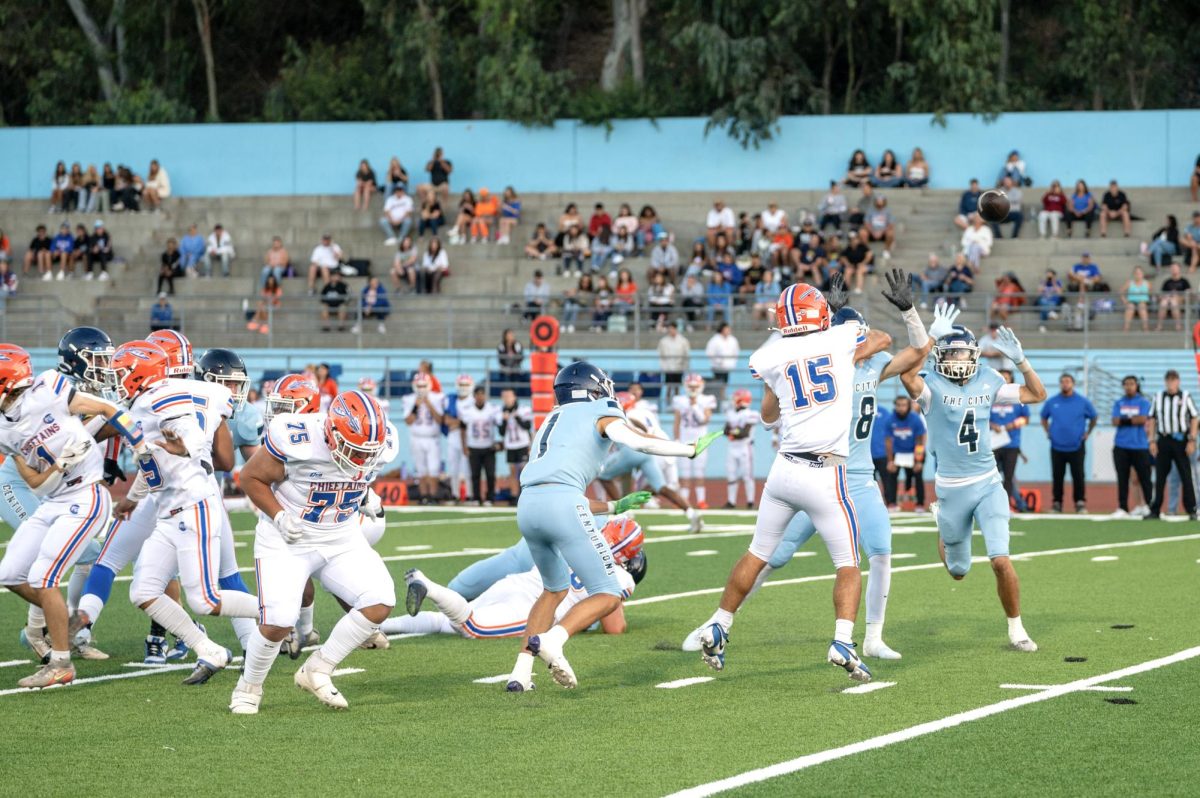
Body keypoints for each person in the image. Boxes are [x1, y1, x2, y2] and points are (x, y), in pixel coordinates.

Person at [690, 277, 923, 678]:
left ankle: (719, 622)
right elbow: (882, 338)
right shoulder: (839, 339)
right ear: (822, 314)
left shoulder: (773, 354)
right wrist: (842, 329)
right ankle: (843, 641)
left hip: (783, 470)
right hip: (825, 471)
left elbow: (767, 416)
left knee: (757, 553)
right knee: (848, 563)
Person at [503, 362, 717, 691]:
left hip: (528, 506)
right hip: (563, 504)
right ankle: (555, 640)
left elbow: (554, 486)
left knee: (553, 590)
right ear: (594, 388)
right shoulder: (598, 410)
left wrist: (614, 506)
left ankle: (519, 672)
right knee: (608, 593)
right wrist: (687, 450)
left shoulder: (551, 420)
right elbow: (638, 441)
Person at [230, 390, 398, 714]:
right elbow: (249, 477)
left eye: (368, 453)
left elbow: (350, 480)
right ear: (331, 434)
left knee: (380, 599)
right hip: (288, 538)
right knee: (278, 620)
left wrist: (364, 495)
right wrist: (278, 516)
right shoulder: (299, 439)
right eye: (354, 450)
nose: (360, 460)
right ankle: (248, 686)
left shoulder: (375, 449)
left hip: (340, 535)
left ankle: (318, 668)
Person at [107, 341, 261, 685]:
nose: (116, 380)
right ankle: (210, 650)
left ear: (138, 374)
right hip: (168, 511)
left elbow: (185, 425)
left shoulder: (155, 397)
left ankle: (280, 611)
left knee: (205, 600)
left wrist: (187, 445)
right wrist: (132, 498)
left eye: (120, 373)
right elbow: (152, 461)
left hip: (193, 506)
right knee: (143, 591)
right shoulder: (146, 401)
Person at [898, 320, 1047, 652]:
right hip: (951, 487)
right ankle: (944, 525)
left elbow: (1037, 394)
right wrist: (929, 336)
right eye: (950, 353)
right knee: (958, 571)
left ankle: (1017, 628)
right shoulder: (930, 383)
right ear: (939, 356)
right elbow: (906, 376)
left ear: (975, 355)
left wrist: (1021, 361)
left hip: (987, 482)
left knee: (1000, 559)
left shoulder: (989, 379)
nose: (958, 359)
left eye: (963, 352)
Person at [396, 518, 643, 639]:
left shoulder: (576, 540)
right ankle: (427, 585)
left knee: (444, 622)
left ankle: (374, 627)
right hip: (533, 608)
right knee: (472, 627)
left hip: (515, 583)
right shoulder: (621, 577)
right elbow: (615, 629)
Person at [1145, 369, 1199, 520]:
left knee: (1186, 475)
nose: (1171, 383)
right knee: (1160, 476)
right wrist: (1152, 440)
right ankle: (1155, 510)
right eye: (1168, 380)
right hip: (1164, 439)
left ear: (1178, 381)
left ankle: (1191, 509)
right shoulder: (1158, 397)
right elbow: (1152, 419)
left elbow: (1195, 418)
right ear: (1165, 381)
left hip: (1181, 440)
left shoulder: (1186, 396)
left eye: (1174, 380)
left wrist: (1192, 439)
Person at [1040, 373, 1097, 513]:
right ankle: (1057, 503)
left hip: (1077, 445)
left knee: (1078, 475)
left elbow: (1094, 417)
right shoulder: (1052, 401)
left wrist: (1087, 432)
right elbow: (1043, 417)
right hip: (1057, 445)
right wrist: (1048, 432)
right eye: (1063, 382)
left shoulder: (1082, 402)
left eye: (1068, 381)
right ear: (1060, 384)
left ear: (1073, 384)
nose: (1065, 384)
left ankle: (1080, 503)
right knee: (1057, 475)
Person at [1111, 375, 1153, 518]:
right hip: (1121, 445)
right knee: (1123, 478)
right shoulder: (1119, 402)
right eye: (1126, 384)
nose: (1129, 386)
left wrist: (1125, 420)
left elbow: (1142, 419)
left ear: (1137, 386)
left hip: (1139, 445)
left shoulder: (1143, 402)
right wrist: (1132, 420)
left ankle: (1149, 505)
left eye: (1132, 384)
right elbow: (1115, 421)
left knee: (1145, 477)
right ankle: (1123, 507)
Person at [672, 374, 717, 508]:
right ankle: (684, 502)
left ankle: (701, 500)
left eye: (695, 386)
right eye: (690, 386)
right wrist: (676, 438)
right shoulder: (679, 400)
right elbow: (677, 422)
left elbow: (705, 420)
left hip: (700, 441)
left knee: (699, 472)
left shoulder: (707, 399)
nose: (692, 389)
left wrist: (695, 406)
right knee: (684, 473)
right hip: (685, 440)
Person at [990, 369, 1030, 512]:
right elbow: (979, 416)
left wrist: (1013, 425)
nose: (1004, 380)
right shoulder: (990, 396)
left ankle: (1004, 505)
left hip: (1011, 443)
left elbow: (1026, 419)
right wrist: (991, 425)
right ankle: (989, 504)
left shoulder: (1018, 398)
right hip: (992, 443)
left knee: (1008, 476)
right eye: (1002, 377)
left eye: (1007, 377)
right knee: (990, 475)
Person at [404, 373, 445, 506]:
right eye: (419, 386)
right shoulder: (409, 399)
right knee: (420, 469)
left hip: (432, 438)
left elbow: (440, 419)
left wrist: (428, 404)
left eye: (423, 385)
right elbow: (408, 421)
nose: (421, 388)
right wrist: (416, 406)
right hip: (417, 437)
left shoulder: (437, 398)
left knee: (433, 469)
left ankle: (433, 496)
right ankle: (424, 496)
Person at [883, 395, 926, 511]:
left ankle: (920, 504)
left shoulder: (915, 419)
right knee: (891, 476)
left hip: (913, 452)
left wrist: (918, 460)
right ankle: (892, 503)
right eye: (898, 405)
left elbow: (920, 441)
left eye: (904, 405)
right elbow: (888, 442)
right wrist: (890, 461)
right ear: (895, 406)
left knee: (918, 477)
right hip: (897, 452)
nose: (901, 408)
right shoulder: (890, 420)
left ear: (908, 406)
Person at [459, 386, 501, 505]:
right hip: (474, 446)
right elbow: (462, 429)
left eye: (482, 394)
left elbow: (500, 425)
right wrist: (464, 446)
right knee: (475, 475)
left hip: (489, 446)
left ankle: (490, 498)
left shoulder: (492, 409)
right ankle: (476, 497)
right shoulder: (468, 411)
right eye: (478, 394)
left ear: (485, 396)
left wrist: (498, 443)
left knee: (490, 474)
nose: (480, 397)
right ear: (474, 396)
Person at [722, 389, 758, 508]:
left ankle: (750, 502)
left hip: (745, 448)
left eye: (736, 398)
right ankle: (731, 502)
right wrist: (733, 432)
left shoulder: (751, 414)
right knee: (731, 475)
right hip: (732, 447)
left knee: (747, 476)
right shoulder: (731, 413)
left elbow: (744, 433)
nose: (734, 401)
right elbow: (725, 431)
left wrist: (732, 432)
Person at [441, 374, 475, 502]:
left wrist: (457, 423)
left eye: (466, 385)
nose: (463, 387)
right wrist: (459, 422)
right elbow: (446, 420)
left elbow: (468, 421)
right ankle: (454, 494)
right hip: (453, 438)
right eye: (461, 385)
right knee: (453, 468)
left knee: (467, 469)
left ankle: (469, 495)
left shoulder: (473, 401)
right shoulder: (451, 399)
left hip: (469, 438)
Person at [499, 389, 534, 502]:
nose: (507, 399)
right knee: (512, 471)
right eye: (504, 397)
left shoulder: (523, 409)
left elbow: (527, 426)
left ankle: (526, 495)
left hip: (522, 444)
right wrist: (505, 420)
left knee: (524, 471)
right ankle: (514, 496)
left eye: (509, 396)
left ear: (514, 397)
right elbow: (501, 432)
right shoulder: (502, 412)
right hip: (510, 445)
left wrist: (517, 418)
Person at [705, 322, 740, 395]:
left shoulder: (732, 340)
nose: (728, 331)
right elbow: (710, 352)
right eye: (726, 329)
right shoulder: (714, 340)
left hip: (727, 367)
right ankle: (719, 397)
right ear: (722, 329)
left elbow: (736, 351)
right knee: (718, 383)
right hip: (717, 367)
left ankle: (722, 397)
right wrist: (718, 361)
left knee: (725, 383)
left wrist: (732, 362)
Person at [657, 325, 690, 398]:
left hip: (679, 367)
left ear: (676, 329)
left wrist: (685, 366)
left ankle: (677, 403)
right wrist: (664, 366)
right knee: (668, 387)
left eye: (673, 329)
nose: (671, 331)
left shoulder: (683, 341)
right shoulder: (663, 341)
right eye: (670, 329)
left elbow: (686, 354)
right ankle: (667, 403)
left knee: (677, 387)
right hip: (668, 368)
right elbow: (661, 354)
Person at [1156, 262, 1190, 331]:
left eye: (1175, 268)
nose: (1174, 269)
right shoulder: (1167, 282)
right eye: (1172, 268)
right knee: (1164, 302)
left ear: (1179, 269)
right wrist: (1166, 297)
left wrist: (1178, 296)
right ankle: (1159, 325)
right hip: (1167, 302)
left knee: (1174, 301)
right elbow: (1161, 295)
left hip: (1180, 302)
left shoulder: (1184, 281)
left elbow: (1189, 294)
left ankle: (1178, 325)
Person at [861, 195, 896, 260]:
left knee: (891, 233)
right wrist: (872, 231)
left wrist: (881, 232)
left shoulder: (888, 211)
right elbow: (866, 223)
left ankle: (886, 251)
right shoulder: (870, 210)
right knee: (862, 232)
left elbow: (891, 224)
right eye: (878, 201)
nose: (879, 202)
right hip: (871, 232)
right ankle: (866, 251)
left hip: (883, 232)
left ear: (884, 202)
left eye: (881, 201)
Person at [1122, 266, 1151, 332]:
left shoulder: (1147, 283)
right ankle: (1126, 328)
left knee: (1142, 306)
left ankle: (1145, 328)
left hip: (1143, 301)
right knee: (1130, 307)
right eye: (1136, 273)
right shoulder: (1129, 282)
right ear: (1134, 274)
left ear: (1143, 274)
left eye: (1140, 273)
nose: (1138, 275)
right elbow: (1121, 291)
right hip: (1131, 301)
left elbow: (1151, 293)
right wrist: (1124, 299)